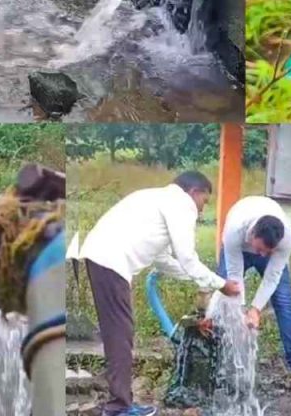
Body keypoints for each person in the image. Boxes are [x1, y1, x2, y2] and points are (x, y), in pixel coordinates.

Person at [81, 171, 242, 416]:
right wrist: (221, 284)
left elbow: (163, 259)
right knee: (120, 336)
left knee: (119, 333)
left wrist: (205, 280)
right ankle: (118, 407)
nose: (201, 210)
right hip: (110, 262)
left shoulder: (157, 199)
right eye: (204, 202)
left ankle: (120, 403)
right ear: (194, 192)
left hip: (101, 257)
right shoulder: (181, 205)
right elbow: (187, 257)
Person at [216, 196, 291, 379]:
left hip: (267, 247)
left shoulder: (286, 240)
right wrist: (241, 308)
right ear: (253, 233)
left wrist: (255, 309)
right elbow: (235, 276)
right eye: (260, 248)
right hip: (238, 250)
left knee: (284, 300)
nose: (262, 255)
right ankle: (220, 359)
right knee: (225, 294)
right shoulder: (235, 231)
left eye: (267, 252)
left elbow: (272, 278)